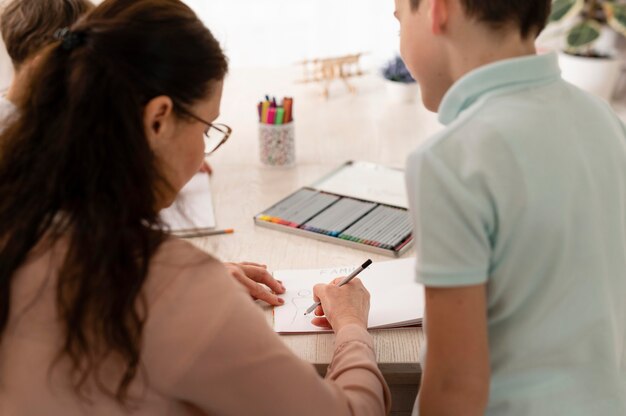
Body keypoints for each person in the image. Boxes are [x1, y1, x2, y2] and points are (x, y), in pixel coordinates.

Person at [0, 0, 391, 414]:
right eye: (207, 127)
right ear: (158, 120)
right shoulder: (173, 288)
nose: (206, 147)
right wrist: (351, 325)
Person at [394, 0, 626, 414]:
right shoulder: (602, 118)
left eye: (398, 20)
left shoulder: (449, 161)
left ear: (436, 10)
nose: (398, 41)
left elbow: (454, 387)